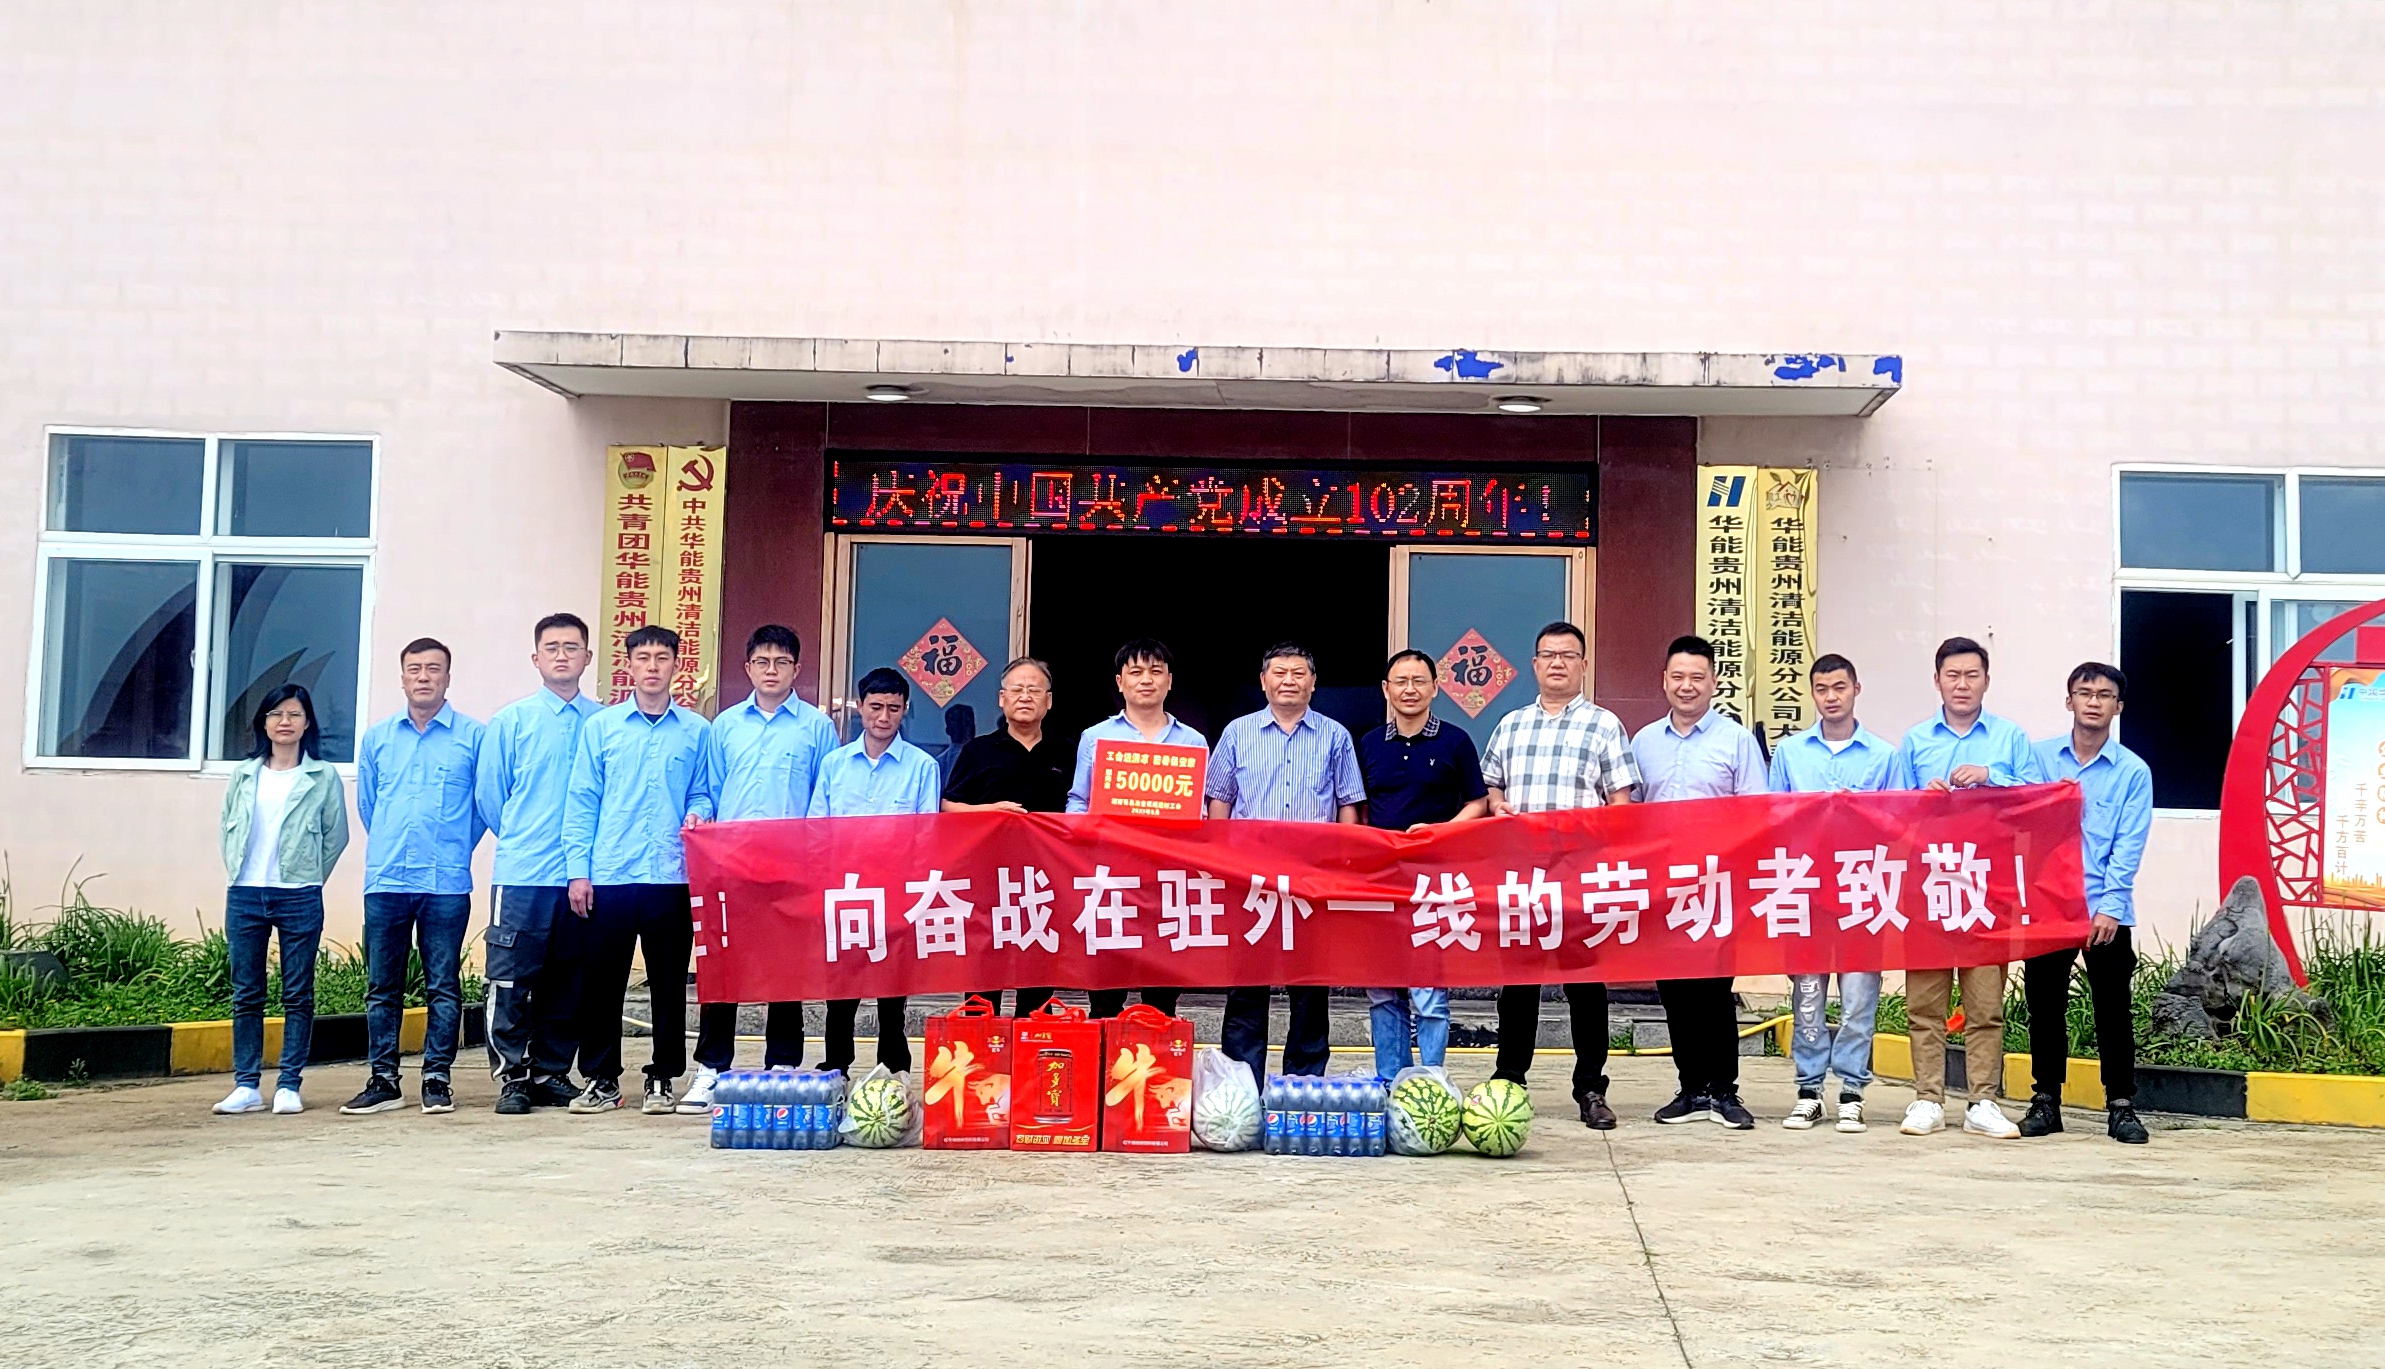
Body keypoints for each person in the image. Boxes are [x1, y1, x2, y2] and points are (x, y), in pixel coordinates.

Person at [1479, 621, 1639, 1130]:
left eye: (1568, 655)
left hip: (1579, 877)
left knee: (1585, 987)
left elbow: (1620, 802)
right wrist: (1498, 805)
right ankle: (1510, 1080)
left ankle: (1591, 1088)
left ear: (1583, 665)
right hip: (1522, 878)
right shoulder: (1511, 725)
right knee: (1518, 986)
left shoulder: (1604, 725)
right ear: (1534, 664)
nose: (1557, 663)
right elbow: (1490, 788)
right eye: (1548, 655)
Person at [1889, 635, 2046, 1140]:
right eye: (1952, 675)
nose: (1962, 684)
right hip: (1930, 884)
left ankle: (1983, 1101)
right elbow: (1891, 812)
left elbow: (2037, 800)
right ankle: (1927, 1098)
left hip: (1987, 885)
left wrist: (1991, 776)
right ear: (1937, 681)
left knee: (1985, 1003)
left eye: (1971, 675)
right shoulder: (1915, 741)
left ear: (1986, 681)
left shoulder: (2010, 738)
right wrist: (1922, 798)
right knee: (1925, 1003)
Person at [679, 625, 841, 1114]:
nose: (772, 671)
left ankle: (783, 1066)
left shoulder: (817, 727)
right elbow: (707, 790)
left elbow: (825, 796)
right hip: (729, 865)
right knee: (723, 965)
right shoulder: (725, 726)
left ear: (797, 669)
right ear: (747, 668)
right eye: (762, 662)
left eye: (781, 662)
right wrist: (699, 815)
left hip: (791, 866)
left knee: (785, 968)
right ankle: (711, 1067)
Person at [562, 624, 715, 1116]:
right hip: (610, 873)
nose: (652, 666)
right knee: (602, 983)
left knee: (669, 985)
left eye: (662, 657)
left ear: (677, 665)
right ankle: (602, 1078)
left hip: (670, 875)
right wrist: (578, 872)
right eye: (643, 658)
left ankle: (662, 1078)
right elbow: (582, 800)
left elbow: (703, 791)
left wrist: (699, 813)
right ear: (628, 666)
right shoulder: (601, 728)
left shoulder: (697, 731)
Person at [1207, 643, 1367, 1090]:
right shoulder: (1237, 733)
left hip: (1312, 880)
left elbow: (1348, 805)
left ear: (1313, 683)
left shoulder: (1335, 736)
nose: (1289, 680)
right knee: (1246, 984)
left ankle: (1304, 1085)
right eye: (1279, 672)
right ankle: (1242, 1086)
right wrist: (1221, 860)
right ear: (1263, 682)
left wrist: (1342, 865)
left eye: (1299, 672)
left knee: (1311, 986)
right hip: (1249, 879)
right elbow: (1219, 801)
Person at [1631, 634, 1772, 1131]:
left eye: (1697, 677)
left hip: (1718, 885)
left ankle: (1724, 1090)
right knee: (1675, 991)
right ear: (1664, 681)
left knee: (1714, 989)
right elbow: (1630, 815)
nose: (1686, 686)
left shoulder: (1736, 740)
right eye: (1678, 677)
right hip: (1663, 887)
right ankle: (1690, 1088)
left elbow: (1756, 813)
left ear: (1713, 683)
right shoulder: (1643, 741)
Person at [341, 638, 485, 1117]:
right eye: (415, 669)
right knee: (382, 986)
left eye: (433, 669)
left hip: (445, 882)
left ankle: (437, 1078)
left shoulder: (473, 737)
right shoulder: (378, 738)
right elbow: (370, 806)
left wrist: (454, 847)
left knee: (442, 983)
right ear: (402, 678)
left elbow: (482, 807)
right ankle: (383, 1079)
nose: (424, 677)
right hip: (387, 879)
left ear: (448, 677)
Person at [475, 612, 604, 1115]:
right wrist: (523, 837)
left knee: (568, 981)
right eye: (552, 647)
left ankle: (551, 1072)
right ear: (535, 658)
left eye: (572, 647)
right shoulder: (511, 722)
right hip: (523, 873)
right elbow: (491, 797)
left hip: (582, 876)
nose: (562, 655)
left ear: (587, 657)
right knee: (510, 978)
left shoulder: (603, 723)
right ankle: (512, 1076)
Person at [2025, 662, 2153, 1145]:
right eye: (2084, 693)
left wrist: (2111, 905)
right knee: (2044, 1007)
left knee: (2113, 1010)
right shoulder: (2039, 758)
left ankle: (2121, 1105)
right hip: (2048, 906)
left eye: (2104, 695)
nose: (2093, 702)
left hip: (2104, 908)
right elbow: (2008, 797)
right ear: (2069, 701)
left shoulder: (2132, 772)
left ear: (2118, 707)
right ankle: (2046, 1101)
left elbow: (2129, 842)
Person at [1768, 652, 1896, 1133]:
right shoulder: (1790, 753)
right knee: (1807, 998)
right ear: (1812, 694)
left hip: (1863, 889)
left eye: (1839, 687)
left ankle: (1851, 1091)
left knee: (1858, 998)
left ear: (1856, 689)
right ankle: (1809, 1090)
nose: (1831, 697)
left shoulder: (1884, 755)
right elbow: (1772, 818)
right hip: (1804, 890)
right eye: (1821, 689)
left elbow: (1899, 822)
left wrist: (1856, 812)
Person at [212, 686, 350, 1117]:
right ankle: (246, 1085)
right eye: (275, 713)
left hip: (299, 894)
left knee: (298, 993)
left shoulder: (322, 776)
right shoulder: (244, 774)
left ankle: (289, 1083)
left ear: (307, 723)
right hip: (245, 892)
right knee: (246, 992)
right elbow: (227, 827)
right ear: (264, 723)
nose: (284, 721)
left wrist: (308, 875)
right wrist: (240, 871)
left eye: (294, 714)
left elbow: (336, 836)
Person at [1356, 648, 1487, 1078]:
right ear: (1386, 689)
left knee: (1428, 992)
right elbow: (1357, 808)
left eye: (1418, 681)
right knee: (1382, 991)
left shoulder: (1455, 741)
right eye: (1400, 681)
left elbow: (1478, 802)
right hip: (1380, 882)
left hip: (1433, 881)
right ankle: (1391, 1080)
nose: (1409, 689)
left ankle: (1431, 1083)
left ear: (1434, 688)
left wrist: (1440, 832)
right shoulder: (1369, 744)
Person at [1067, 638, 1210, 1020]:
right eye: (1136, 672)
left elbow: (1201, 809)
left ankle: (1157, 1055)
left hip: (1168, 878)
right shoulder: (1096, 737)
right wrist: (1082, 835)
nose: (1146, 680)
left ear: (1169, 681)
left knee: (1162, 991)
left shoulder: (1192, 741)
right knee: (1105, 989)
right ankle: (1103, 1055)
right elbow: (1078, 800)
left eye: (1155, 671)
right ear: (1120, 682)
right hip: (1111, 875)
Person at [809, 667, 942, 1073]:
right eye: (876, 707)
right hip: (844, 890)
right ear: (860, 706)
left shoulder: (922, 766)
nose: (884, 717)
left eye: (894, 709)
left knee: (893, 991)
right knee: (840, 989)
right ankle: (836, 1066)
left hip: (896, 893)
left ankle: (894, 1070)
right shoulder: (834, 764)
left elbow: (927, 836)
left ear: (905, 710)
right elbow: (816, 828)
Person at [943, 657, 1071, 1017]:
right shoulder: (977, 751)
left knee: (1038, 974)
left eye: (1034, 690)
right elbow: (948, 806)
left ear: (1049, 700)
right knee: (983, 975)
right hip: (988, 880)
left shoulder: (1067, 751)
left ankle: (1032, 1044)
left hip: (1046, 881)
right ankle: (979, 1044)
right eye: (1017, 689)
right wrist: (989, 812)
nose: (1025, 697)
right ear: (1002, 698)